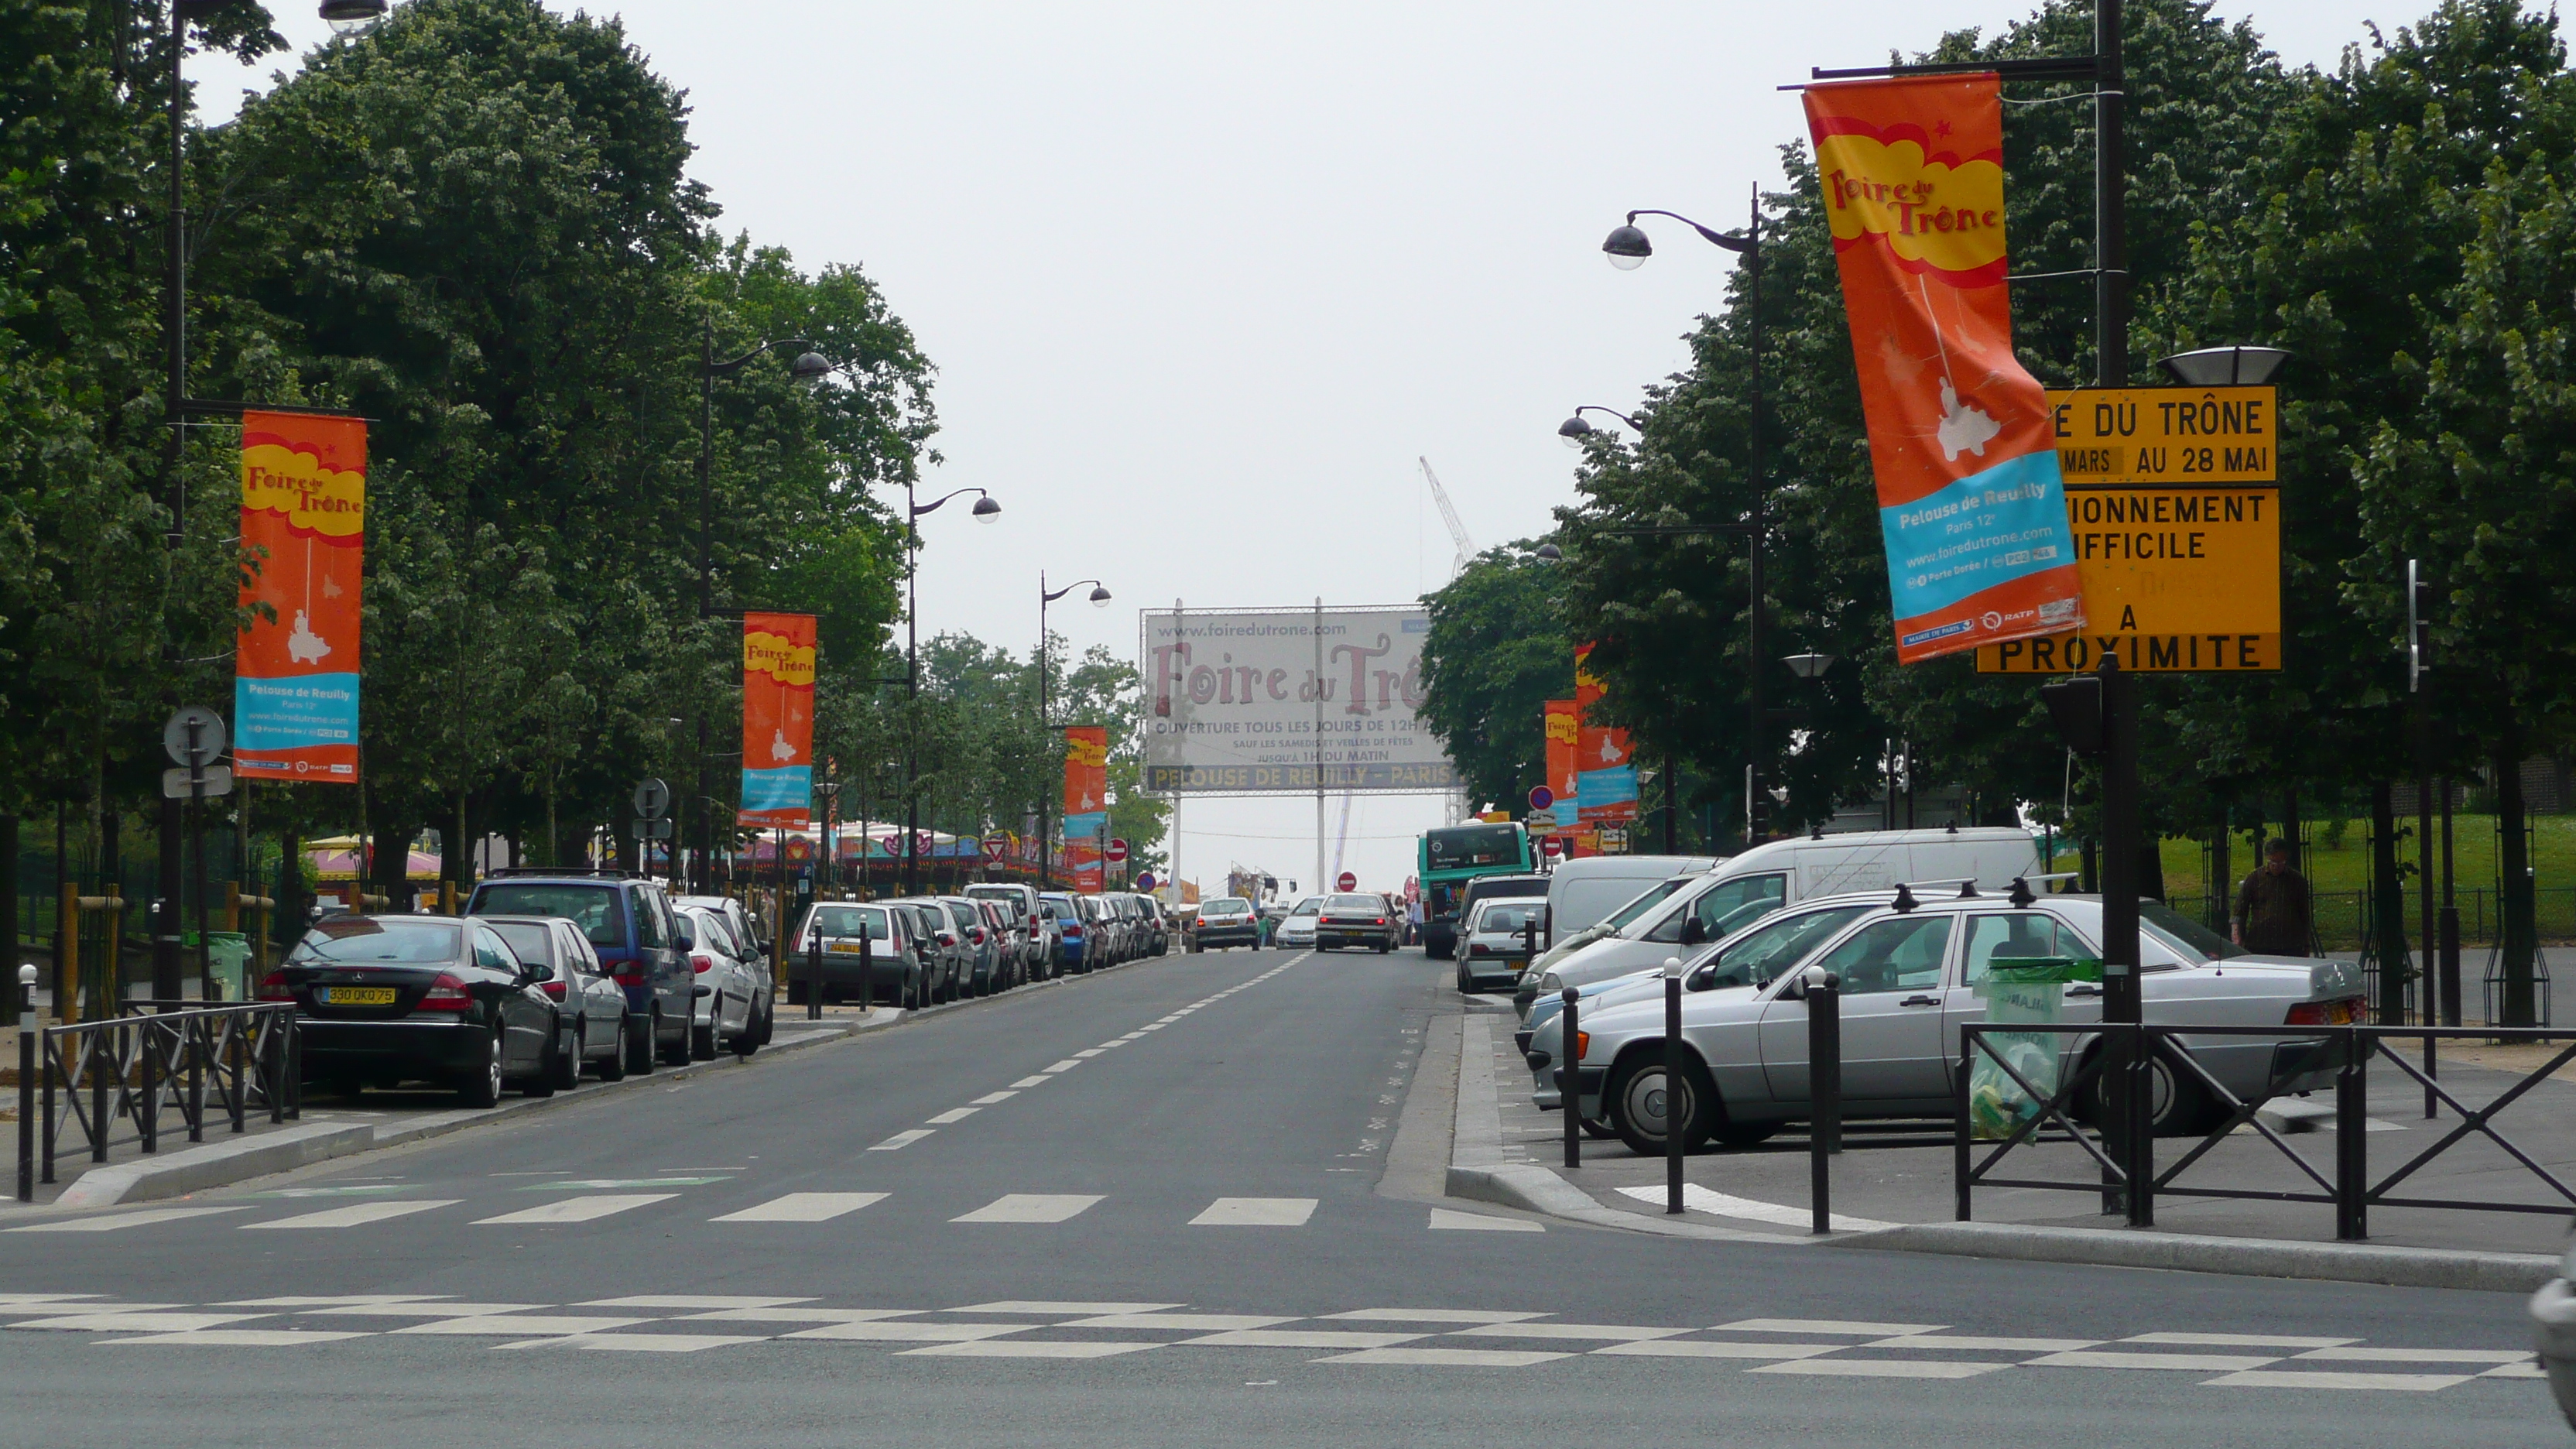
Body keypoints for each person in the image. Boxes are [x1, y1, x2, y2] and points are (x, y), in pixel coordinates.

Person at [2234, 838, 2314, 956]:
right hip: (2259, 943)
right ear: (2267, 858)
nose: (2276, 866)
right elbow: (2240, 911)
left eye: (2281, 862)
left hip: (2290, 944)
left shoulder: (2297, 880)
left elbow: (2304, 913)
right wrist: (2237, 936)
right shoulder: (2255, 878)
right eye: (2273, 862)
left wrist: (2306, 942)